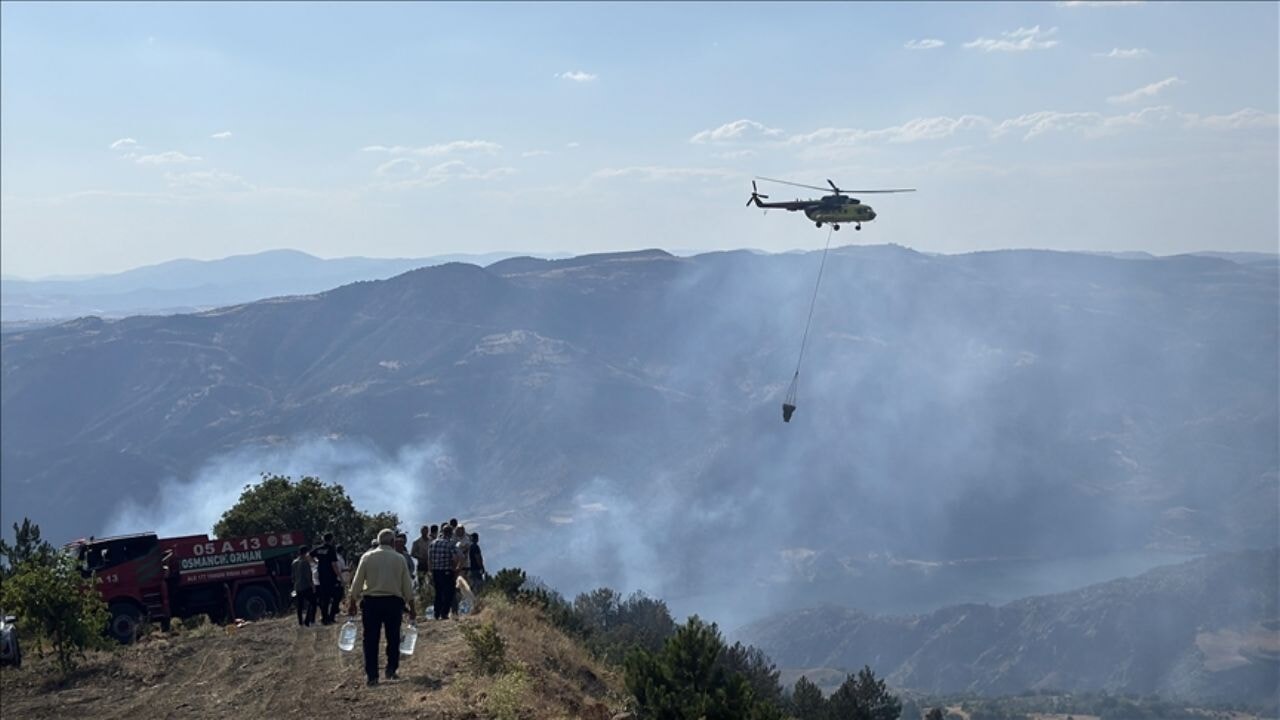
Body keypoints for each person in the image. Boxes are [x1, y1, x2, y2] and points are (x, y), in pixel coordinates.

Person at [347, 528, 415, 686]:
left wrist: (352, 602)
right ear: (392, 542)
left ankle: (372, 675)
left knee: (370, 639)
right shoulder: (399, 559)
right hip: (393, 602)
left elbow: (357, 582)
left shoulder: (367, 557)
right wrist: (412, 606)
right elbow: (407, 586)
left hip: (371, 603)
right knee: (393, 637)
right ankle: (391, 669)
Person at [310, 533, 342, 625]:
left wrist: (316, 563)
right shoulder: (331, 549)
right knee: (336, 597)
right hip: (331, 577)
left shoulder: (318, 548)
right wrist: (340, 577)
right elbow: (334, 565)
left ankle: (325, 618)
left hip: (321, 576)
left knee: (324, 598)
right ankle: (330, 617)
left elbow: (308, 556)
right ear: (331, 539)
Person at [429, 525, 459, 620]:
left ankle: (436, 613)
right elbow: (455, 558)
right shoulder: (449, 544)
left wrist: (431, 570)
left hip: (436, 571)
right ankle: (444, 613)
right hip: (446, 571)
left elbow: (429, 558)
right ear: (450, 533)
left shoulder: (433, 543)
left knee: (438, 592)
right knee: (448, 592)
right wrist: (455, 568)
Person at [291, 545, 316, 626]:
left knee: (300, 605)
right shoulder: (305, 562)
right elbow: (308, 576)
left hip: (297, 587)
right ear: (306, 553)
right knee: (313, 602)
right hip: (305, 586)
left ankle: (300, 622)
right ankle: (308, 620)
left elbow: (293, 576)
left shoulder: (294, 562)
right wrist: (312, 586)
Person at [452, 526, 471, 616]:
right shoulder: (454, 539)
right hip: (455, 566)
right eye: (458, 531)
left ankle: (465, 604)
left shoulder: (466, 540)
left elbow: (464, 552)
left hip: (464, 566)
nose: (459, 532)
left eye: (461, 531)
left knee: (463, 586)